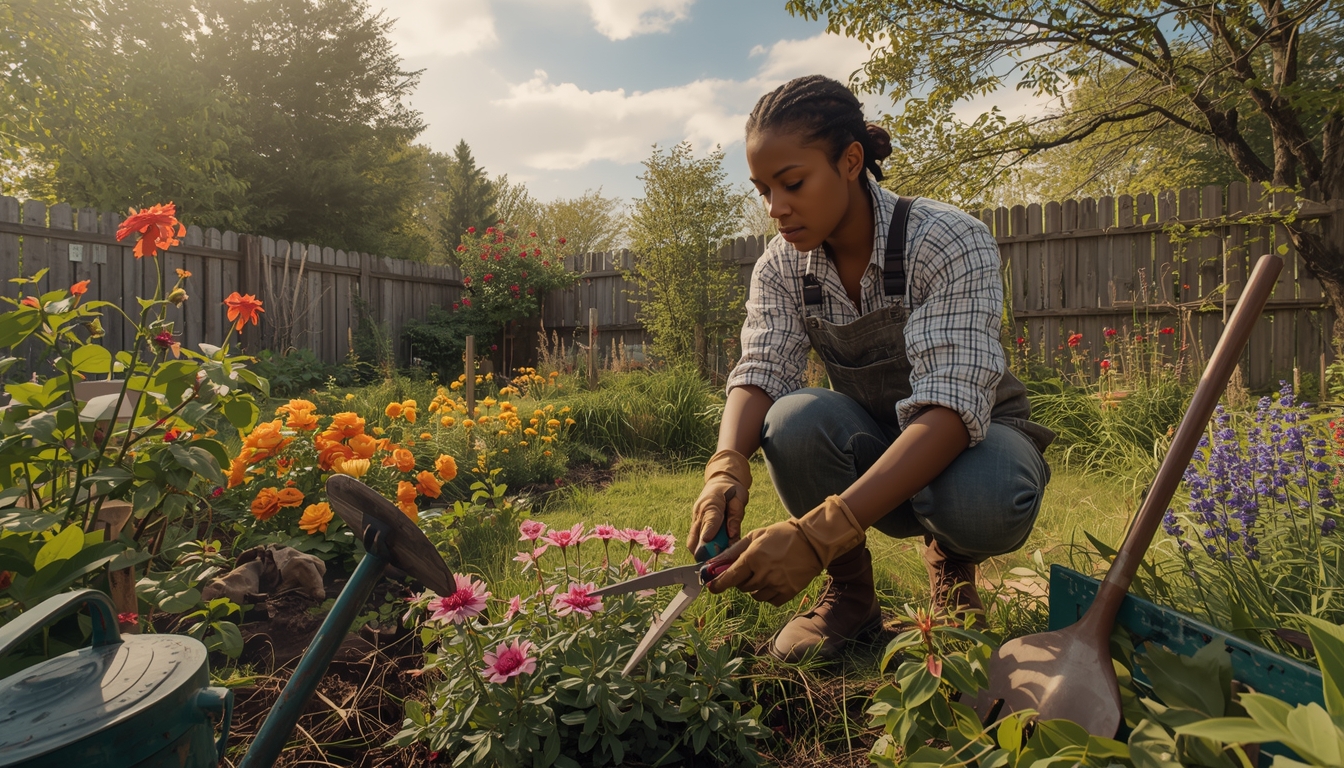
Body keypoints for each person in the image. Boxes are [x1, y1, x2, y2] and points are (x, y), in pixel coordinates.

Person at [687, 75, 1055, 663]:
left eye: (793, 183)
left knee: (987, 495)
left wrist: (816, 535)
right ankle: (852, 595)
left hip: (972, 446)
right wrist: (725, 466)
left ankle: (952, 568)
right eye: (763, 190)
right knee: (793, 418)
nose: (776, 209)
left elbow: (950, 410)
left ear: (851, 161)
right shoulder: (783, 267)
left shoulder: (947, 239)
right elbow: (761, 367)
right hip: (872, 439)